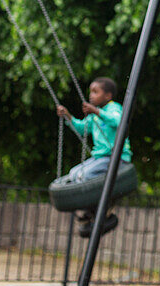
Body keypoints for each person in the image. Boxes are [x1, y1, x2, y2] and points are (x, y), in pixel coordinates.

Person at [56, 77, 132, 237]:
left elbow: (119, 122)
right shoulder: (94, 115)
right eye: (91, 91)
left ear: (107, 96)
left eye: (95, 92)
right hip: (101, 157)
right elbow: (81, 128)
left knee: (87, 175)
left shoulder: (113, 108)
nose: (91, 95)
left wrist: (97, 111)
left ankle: (105, 208)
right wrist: (68, 116)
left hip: (116, 157)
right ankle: (93, 211)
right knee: (74, 173)